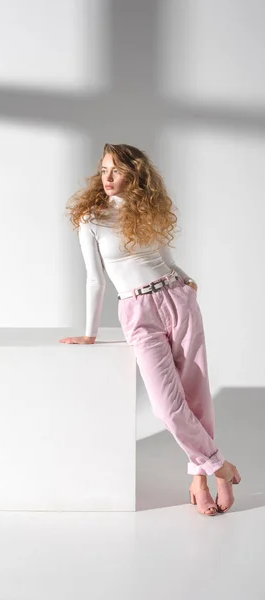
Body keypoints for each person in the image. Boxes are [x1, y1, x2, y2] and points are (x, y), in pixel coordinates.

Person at [59, 143, 241, 516]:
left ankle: (200, 478)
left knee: (196, 394)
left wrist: (188, 283)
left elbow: (166, 258)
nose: (108, 177)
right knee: (167, 407)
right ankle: (220, 465)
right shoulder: (91, 220)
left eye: (117, 170)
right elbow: (96, 281)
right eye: (104, 169)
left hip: (177, 299)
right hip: (137, 310)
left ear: (135, 173)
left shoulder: (149, 211)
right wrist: (89, 333)